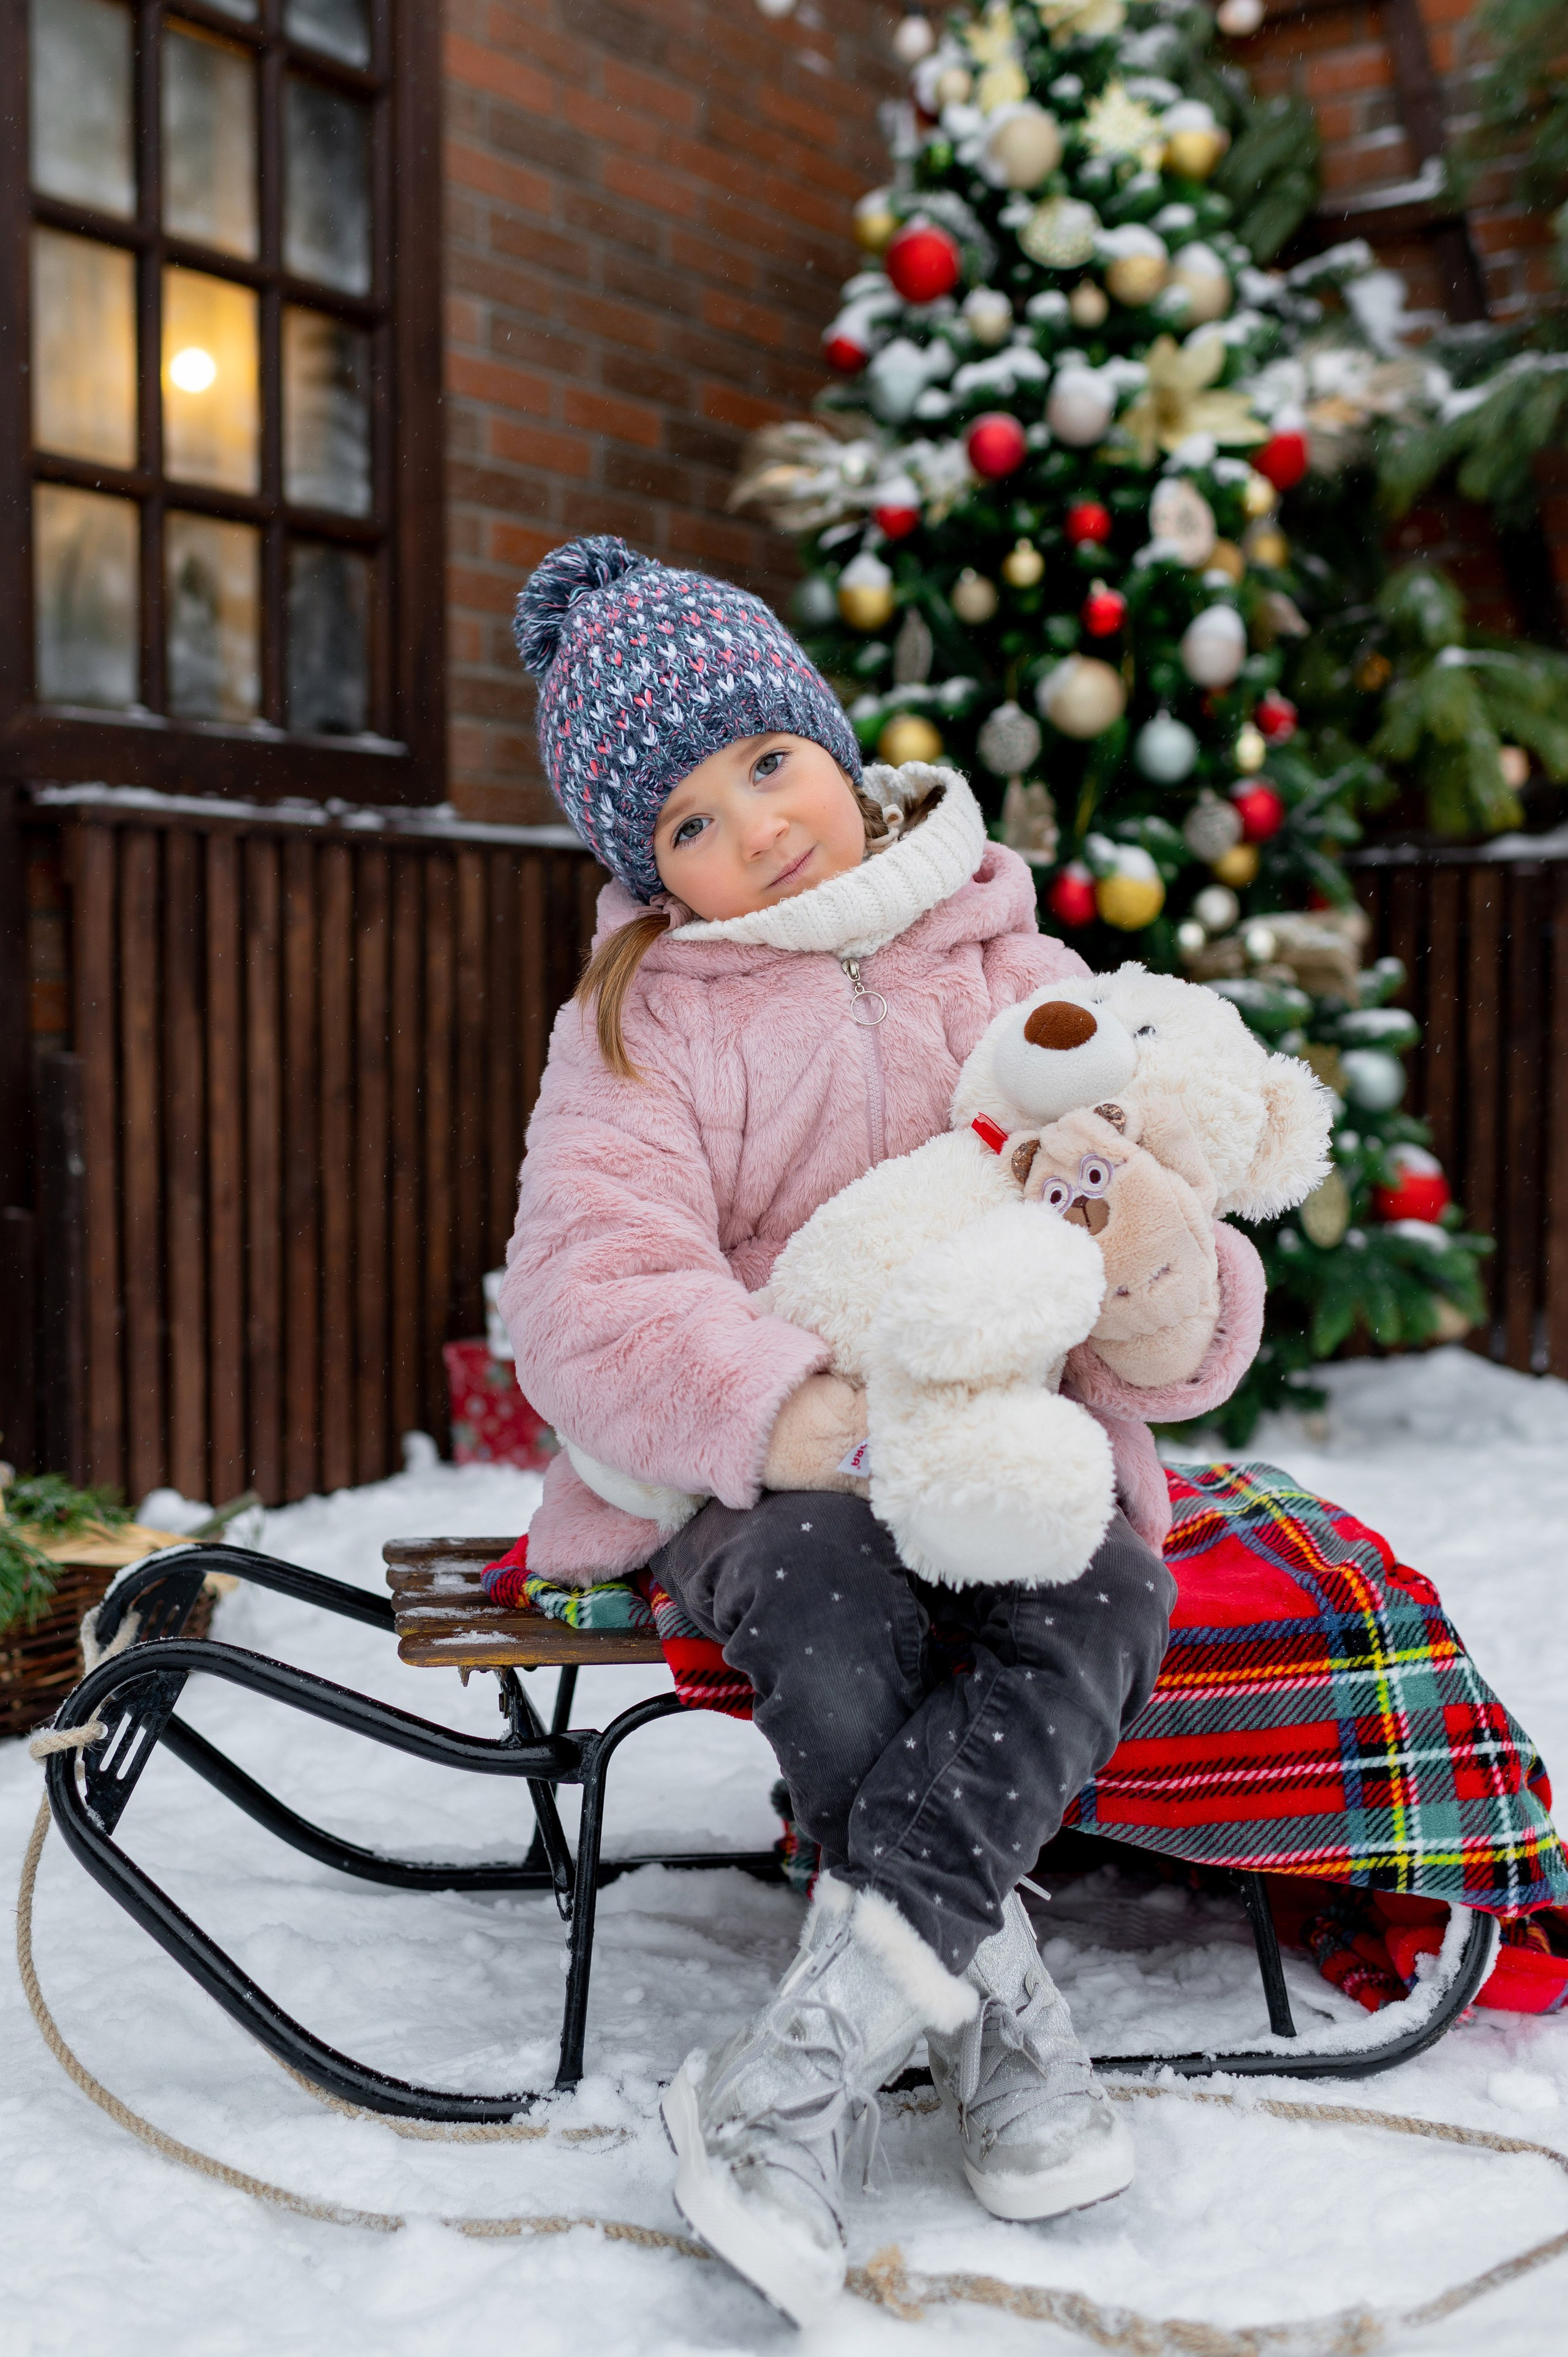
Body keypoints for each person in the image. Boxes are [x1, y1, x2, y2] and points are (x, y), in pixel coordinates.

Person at [502, 536, 1262, 2327]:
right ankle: (1002, 2020)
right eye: (689, 820)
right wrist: (787, 1412)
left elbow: (1170, 1277)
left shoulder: (1014, 965)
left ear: (838, 747)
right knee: (839, 1601)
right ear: (648, 871)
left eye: (769, 765)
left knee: (1101, 1594)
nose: (757, 829)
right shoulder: (639, 1029)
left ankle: (802, 2072)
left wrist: (1150, 1271)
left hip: (1011, 1428)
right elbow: (587, 1288)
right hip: (770, 1453)